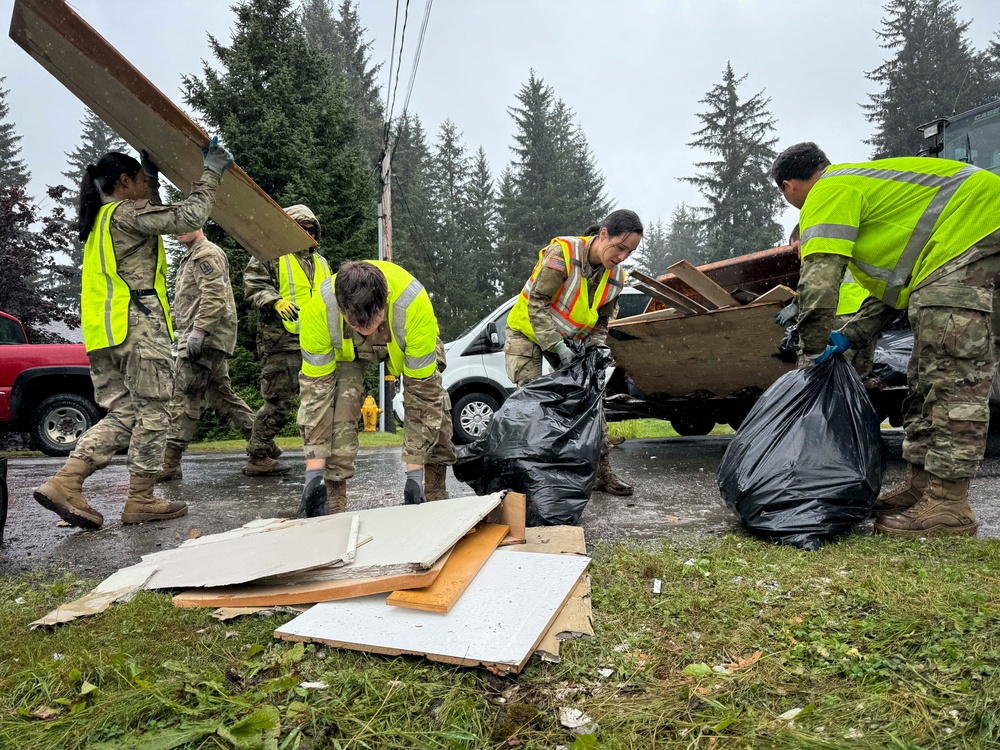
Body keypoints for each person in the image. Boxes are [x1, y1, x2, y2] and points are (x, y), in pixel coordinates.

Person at [772, 141, 1000, 538]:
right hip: (964, 238)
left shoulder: (827, 191)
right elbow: (892, 294)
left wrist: (811, 350)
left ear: (789, 186)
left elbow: (820, 279)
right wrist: (847, 336)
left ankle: (949, 505)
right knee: (925, 375)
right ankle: (922, 488)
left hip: (973, 229)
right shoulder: (869, 193)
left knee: (949, 378)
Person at [33, 139, 233, 528]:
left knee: (125, 413)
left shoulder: (99, 222)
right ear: (125, 181)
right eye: (141, 180)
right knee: (156, 411)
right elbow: (188, 216)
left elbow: (154, 213)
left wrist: (153, 174)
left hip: (104, 334)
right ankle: (140, 499)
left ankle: (66, 481)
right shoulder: (126, 215)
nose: (144, 188)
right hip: (138, 328)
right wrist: (212, 172)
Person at [296, 260, 455, 515]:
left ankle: (433, 490)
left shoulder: (414, 305)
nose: (367, 329)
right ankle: (332, 499)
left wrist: (414, 475)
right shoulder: (317, 311)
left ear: (388, 297)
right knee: (340, 407)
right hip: (348, 356)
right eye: (357, 323)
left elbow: (421, 399)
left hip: (408, 345)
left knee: (435, 407)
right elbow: (316, 399)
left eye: (373, 320)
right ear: (338, 301)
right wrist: (312, 476)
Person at [505, 209, 642, 496]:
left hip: (570, 341)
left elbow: (602, 320)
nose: (621, 257)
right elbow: (537, 303)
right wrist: (556, 347)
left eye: (628, 253)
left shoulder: (616, 276)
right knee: (534, 405)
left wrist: (593, 348)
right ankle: (533, 479)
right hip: (528, 332)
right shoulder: (562, 254)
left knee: (591, 400)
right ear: (603, 234)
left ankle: (602, 474)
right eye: (619, 248)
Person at [157, 226, 259, 481]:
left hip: (203, 338)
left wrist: (199, 331)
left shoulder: (205, 254)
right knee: (222, 397)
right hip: (203, 336)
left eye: (184, 225)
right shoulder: (193, 256)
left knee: (184, 396)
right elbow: (185, 302)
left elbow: (215, 295)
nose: (178, 231)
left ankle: (169, 463)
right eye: (175, 227)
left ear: (199, 225)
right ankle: (263, 450)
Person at [243, 205, 332, 476]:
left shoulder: (322, 263)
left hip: (316, 342)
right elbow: (253, 285)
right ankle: (258, 455)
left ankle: (318, 457)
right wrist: (275, 301)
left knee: (319, 402)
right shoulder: (270, 255)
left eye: (311, 229)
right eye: (301, 228)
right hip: (280, 343)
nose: (308, 233)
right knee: (279, 402)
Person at [775, 224, 877, 377]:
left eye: (797, 248)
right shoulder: (851, 245)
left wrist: (797, 304)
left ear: (806, 237)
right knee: (857, 379)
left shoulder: (821, 252)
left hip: (838, 319)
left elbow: (817, 286)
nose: (798, 255)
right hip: (866, 320)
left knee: (815, 378)